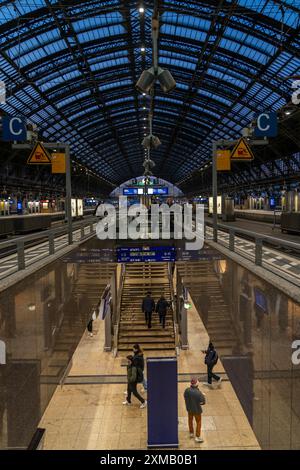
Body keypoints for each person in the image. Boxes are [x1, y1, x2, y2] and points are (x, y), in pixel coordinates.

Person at [184, 378, 206, 443]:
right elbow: (203, 402)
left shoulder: (187, 390)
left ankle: (191, 433)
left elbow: (185, 396)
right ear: (197, 385)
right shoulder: (199, 393)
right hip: (197, 410)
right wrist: (202, 395)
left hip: (189, 409)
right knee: (198, 422)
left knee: (190, 420)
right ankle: (197, 436)